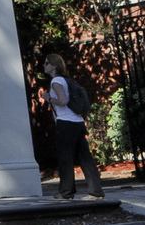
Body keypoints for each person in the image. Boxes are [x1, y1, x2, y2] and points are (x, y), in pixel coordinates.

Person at [38, 52, 104, 199]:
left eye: (47, 63)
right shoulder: (66, 80)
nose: (44, 65)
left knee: (65, 158)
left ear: (54, 66)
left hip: (66, 124)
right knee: (85, 158)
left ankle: (66, 192)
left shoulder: (56, 81)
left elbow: (63, 101)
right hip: (78, 122)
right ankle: (96, 192)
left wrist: (48, 97)